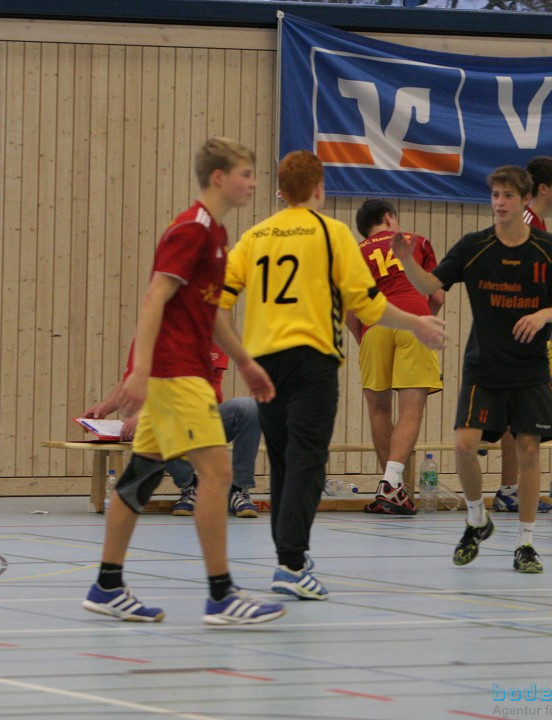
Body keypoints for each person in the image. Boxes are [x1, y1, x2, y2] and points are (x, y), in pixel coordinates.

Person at [217, 150, 446, 600]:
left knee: (283, 460)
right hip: (312, 360)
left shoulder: (255, 236)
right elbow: (367, 306)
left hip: (264, 361)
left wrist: (241, 358)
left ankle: (288, 556)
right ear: (320, 188)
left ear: (280, 190)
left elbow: (217, 303)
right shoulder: (332, 233)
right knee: (307, 461)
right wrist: (417, 322)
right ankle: (292, 563)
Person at [82, 137, 285, 626]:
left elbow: (210, 313)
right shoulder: (192, 229)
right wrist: (140, 371)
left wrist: (246, 362)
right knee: (217, 475)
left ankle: (107, 584)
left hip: (181, 371)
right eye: (246, 174)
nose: (253, 183)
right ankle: (222, 595)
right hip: (178, 374)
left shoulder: (215, 234)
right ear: (219, 177)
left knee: (138, 478)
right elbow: (155, 297)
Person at [393, 165, 552, 574]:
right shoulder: (475, 246)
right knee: (464, 445)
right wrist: (405, 259)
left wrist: (544, 314)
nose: (499, 202)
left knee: (529, 450)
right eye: (495, 195)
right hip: (484, 366)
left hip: (529, 368)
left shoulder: (547, 248)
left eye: (508, 196)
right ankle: (477, 518)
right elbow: (428, 286)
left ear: (524, 199)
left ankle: (526, 544)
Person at [347, 199, 445, 515]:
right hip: (413, 321)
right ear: (389, 218)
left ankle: (393, 490)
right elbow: (437, 294)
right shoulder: (414, 241)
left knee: (378, 410)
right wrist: (424, 321)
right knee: (411, 410)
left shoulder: (356, 253)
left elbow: (350, 310)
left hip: (373, 328)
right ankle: (391, 483)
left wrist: (362, 337)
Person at [491, 156, 552, 516]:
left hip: (538, 325)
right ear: (542, 189)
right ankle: (510, 487)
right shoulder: (523, 222)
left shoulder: (537, 225)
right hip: (521, 328)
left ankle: (512, 484)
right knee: (527, 401)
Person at [83, 356, 262, 518]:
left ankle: (239, 490)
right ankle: (191, 486)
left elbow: (191, 385)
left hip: (206, 416)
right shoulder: (148, 335)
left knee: (248, 408)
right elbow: (133, 379)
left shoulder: (207, 330)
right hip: (170, 417)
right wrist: (104, 408)